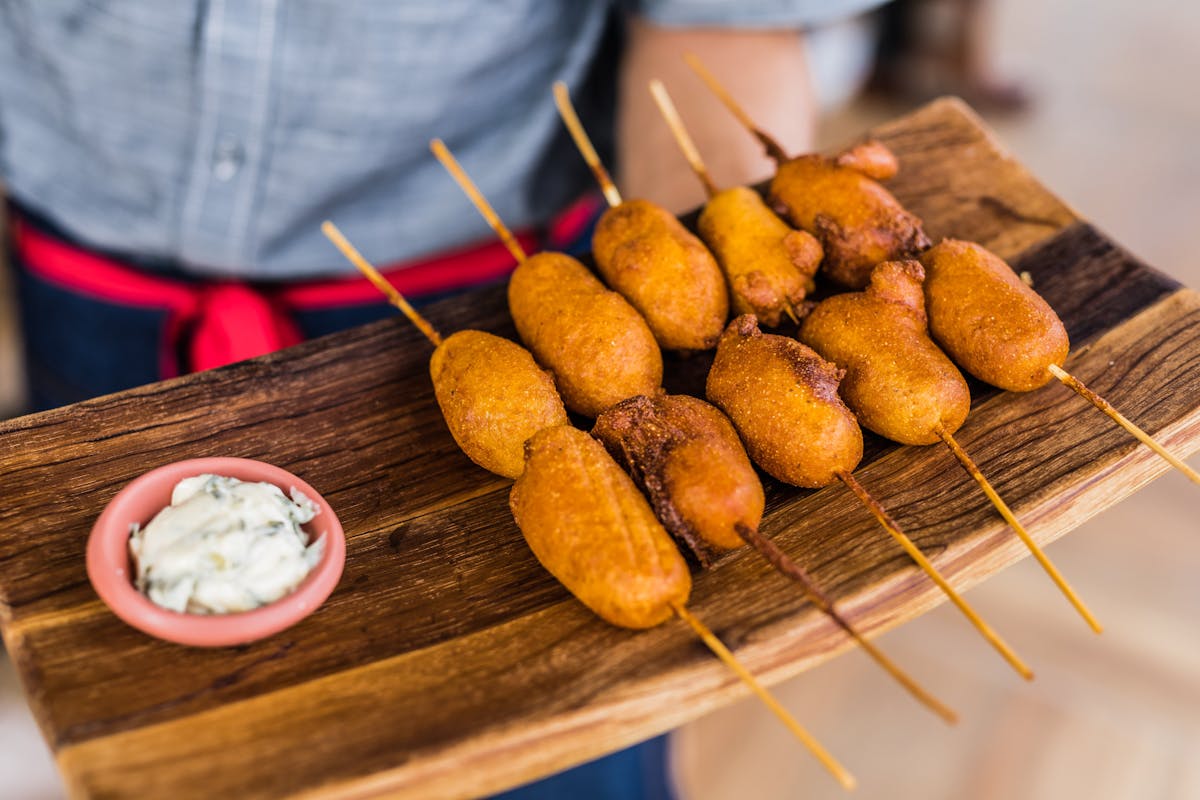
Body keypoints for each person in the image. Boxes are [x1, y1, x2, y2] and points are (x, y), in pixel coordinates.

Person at [0, 2, 884, 797]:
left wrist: (735, 327)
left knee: (542, 753)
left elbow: (725, 18)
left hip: (491, 299)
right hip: (93, 315)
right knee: (189, 751)